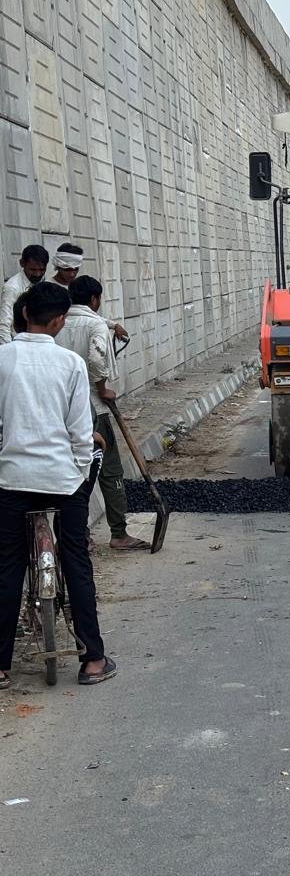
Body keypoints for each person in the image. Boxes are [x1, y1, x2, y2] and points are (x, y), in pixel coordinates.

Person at [0, 282, 117, 688]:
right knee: (77, 560)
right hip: (62, 482)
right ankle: (93, 660)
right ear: (59, 320)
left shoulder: (2, 359)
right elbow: (80, 434)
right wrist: (81, 473)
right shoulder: (70, 364)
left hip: (12, 480)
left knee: (8, 566)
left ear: (24, 315)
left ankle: (1, 665)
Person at [56, 275, 150, 551]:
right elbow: (96, 357)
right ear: (95, 299)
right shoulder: (94, 324)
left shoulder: (57, 322)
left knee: (74, 472)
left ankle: (77, 534)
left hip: (63, 409)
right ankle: (119, 533)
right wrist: (102, 387)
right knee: (109, 471)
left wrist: (111, 325)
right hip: (94, 409)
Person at [49, 244, 128, 341]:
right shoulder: (48, 288)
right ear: (58, 266)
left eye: (76, 269)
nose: (72, 274)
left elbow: (85, 312)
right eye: (68, 269)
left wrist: (113, 325)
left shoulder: (77, 286)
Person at [0, 244, 49, 345]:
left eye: (42, 270)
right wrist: (7, 350)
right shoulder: (12, 288)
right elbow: (4, 323)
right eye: (33, 270)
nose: (38, 274)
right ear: (22, 263)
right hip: (18, 343)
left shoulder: (42, 283)